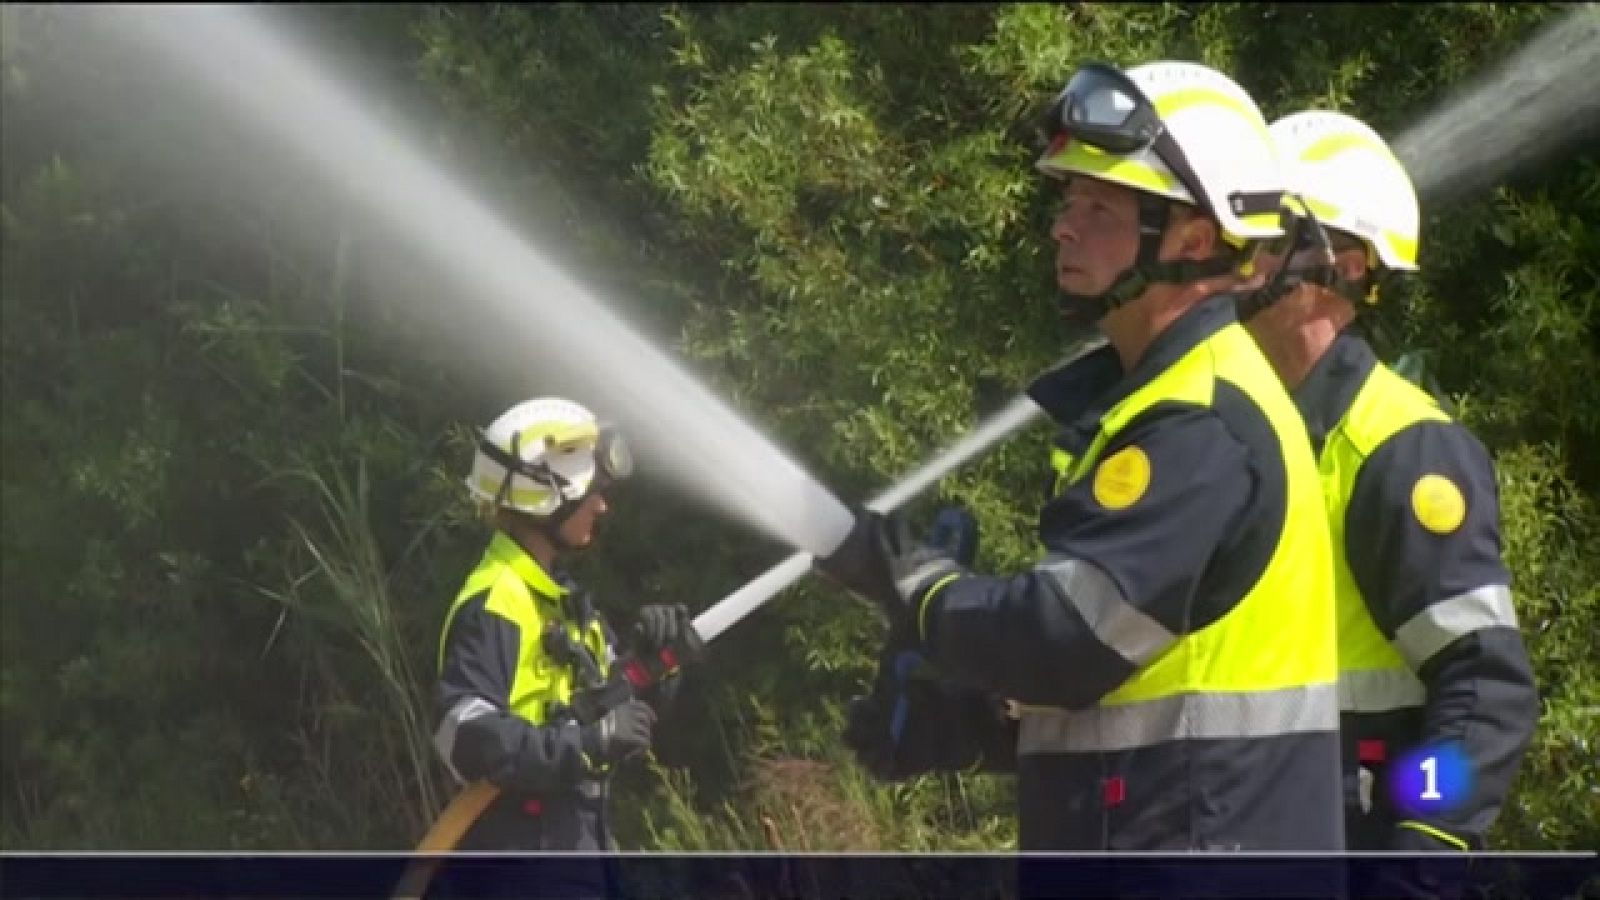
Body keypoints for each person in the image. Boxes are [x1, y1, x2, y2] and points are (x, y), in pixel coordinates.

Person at [818, 60, 1345, 852]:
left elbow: (1062, 641)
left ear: (1195, 238)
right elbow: (1142, 689)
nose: (1064, 224)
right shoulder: (1156, 402)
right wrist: (971, 727)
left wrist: (919, 588)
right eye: (1068, 199)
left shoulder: (1200, 425)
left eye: (1099, 206)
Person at [1238, 109, 1539, 853]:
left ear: (1336, 269)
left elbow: (1487, 693)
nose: (1233, 260)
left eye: (1264, 238)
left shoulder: (1402, 450)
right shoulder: (1229, 428)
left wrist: (1421, 847)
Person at [432, 395, 700, 854]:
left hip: (577, 849)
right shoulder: (498, 601)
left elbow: (619, 706)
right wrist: (583, 746)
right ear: (541, 497)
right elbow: (463, 736)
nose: (601, 507)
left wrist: (659, 663)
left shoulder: (565, 606)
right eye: (590, 492)